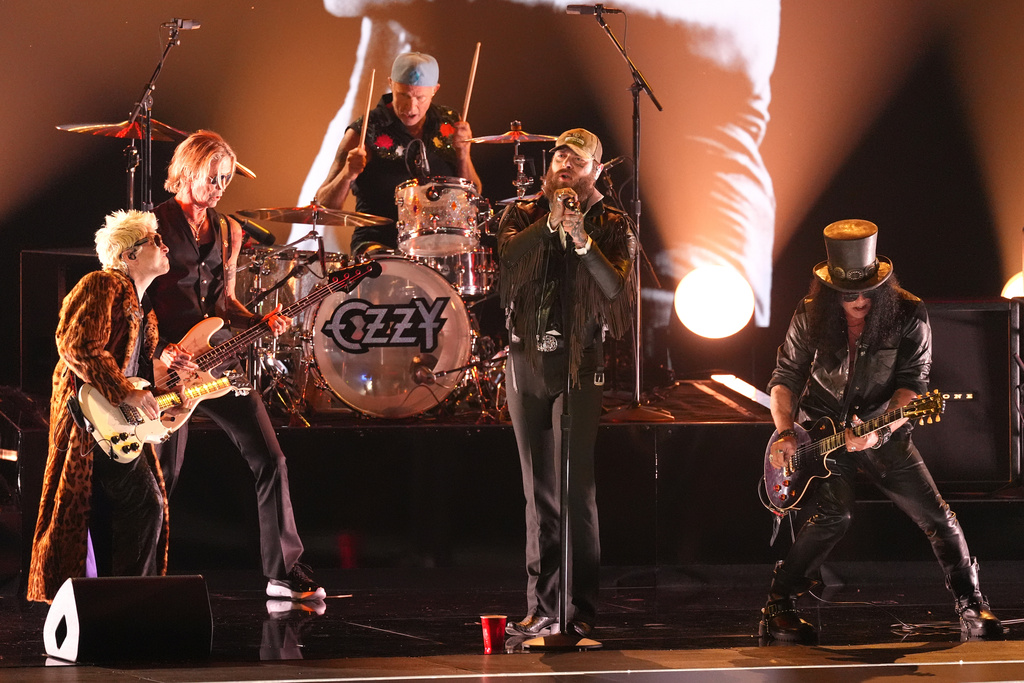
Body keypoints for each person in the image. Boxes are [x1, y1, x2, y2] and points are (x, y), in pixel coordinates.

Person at [761, 219, 1002, 642]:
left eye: (868, 291)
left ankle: (972, 601)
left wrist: (879, 431)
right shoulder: (809, 312)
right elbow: (786, 377)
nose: (859, 301)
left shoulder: (908, 312)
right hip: (821, 432)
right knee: (834, 516)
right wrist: (784, 432)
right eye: (848, 293)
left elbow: (913, 385)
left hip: (882, 425)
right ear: (831, 291)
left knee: (936, 515)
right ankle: (779, 602)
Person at [149, 130, 325, 601]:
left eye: (226, 178)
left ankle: (283, 573)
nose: (220, 186)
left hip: (217, 361)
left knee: (270, 457)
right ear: (188, 170)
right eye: (213, 176)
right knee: (163, 474)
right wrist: (161, 350)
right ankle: (142, 577)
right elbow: (134, 301)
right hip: (165, 365)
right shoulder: (152, 225)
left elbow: (224, 302)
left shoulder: (228, 230)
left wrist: (259, 320)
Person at [497, 129, 636, 639]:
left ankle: (578, 611)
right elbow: (507, 263)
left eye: (576, 160)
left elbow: (617, 289)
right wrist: (550, 224)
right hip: (526, 360)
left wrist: (581, 241)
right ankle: (541, 607)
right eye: (559, 156)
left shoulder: (613, 222)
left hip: (579, 361)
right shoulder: (521, 213)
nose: (564, 165)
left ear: (596, 170)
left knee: (575, 489)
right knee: (538, 493)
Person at [27, 210, 189, 601]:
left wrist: (169, 390)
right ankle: (131, 604)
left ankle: (120, 602)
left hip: (116, 426)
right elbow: (76, 345)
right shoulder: (102, 284)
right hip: (88, 426)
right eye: (155, 240)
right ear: (129, 255)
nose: (165, 246)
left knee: (121, 513)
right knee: (144, 503)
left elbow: (136, 375)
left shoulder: (144, 309)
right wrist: (124, 392)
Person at [316, 51, 481, 257]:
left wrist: (464, 155)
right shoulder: (364, 131)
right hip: (377, 245)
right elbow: (324, 206)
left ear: (435, 90)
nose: (411, 107)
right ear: (391, 84)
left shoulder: (450, 123)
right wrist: (347, 174)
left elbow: (473, 195)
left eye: (420, 97)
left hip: (438, 246)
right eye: (404, 95)